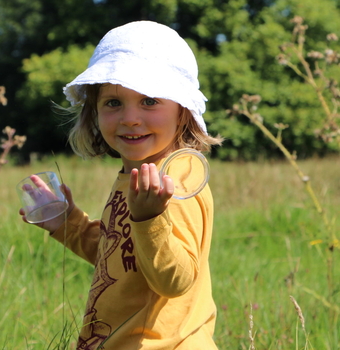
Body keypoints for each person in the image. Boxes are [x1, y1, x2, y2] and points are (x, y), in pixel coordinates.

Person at [19, 20, 223, 350]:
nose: (130, 117)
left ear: (183, 112)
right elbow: (119, 256)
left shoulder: (177, 178)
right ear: (95, 113)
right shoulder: (136, 174)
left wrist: (149, 220)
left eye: (149, 101)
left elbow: (176, 280)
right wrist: (68, 224)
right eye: (113, 103)